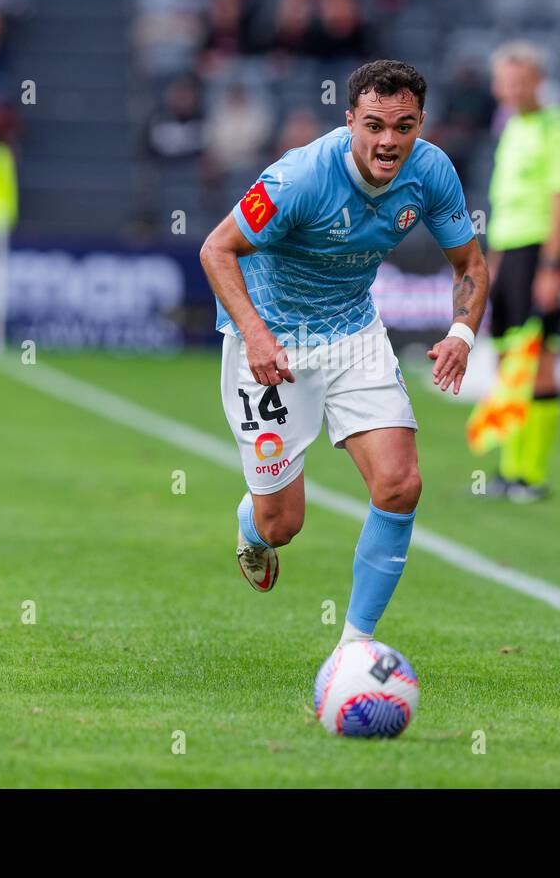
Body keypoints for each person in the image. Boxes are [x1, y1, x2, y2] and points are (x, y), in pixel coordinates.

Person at [199, 60, 488, 650]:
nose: (389, 141)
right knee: (282, 524)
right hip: (273, 345)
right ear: (350, 119)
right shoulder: (301, 177)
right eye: (375, 125)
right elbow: (217, 249)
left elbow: (470, 265)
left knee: (400, 484)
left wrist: (461, 334)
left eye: (404, 126)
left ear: (420, 124)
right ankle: (251, 526)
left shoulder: (431, 171)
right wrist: (255, 334)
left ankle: (353, 649)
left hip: (355, 335)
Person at [470, 41, 560, 502]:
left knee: (539, 362)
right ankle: (510, 467)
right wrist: (494, 260)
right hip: (509, 251)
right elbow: (505, 203)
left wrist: (552, 267)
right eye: (506, 83)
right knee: (507, 361)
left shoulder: (558, 128)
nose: (513, 90)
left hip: (540, 252)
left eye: (521, 82)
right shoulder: (512, 126)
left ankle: (531, 476)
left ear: (538, 81)